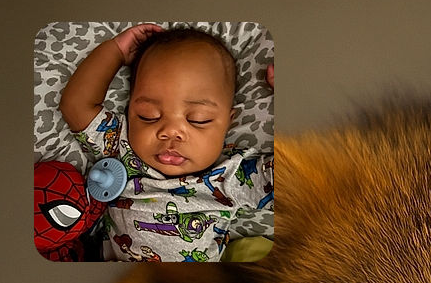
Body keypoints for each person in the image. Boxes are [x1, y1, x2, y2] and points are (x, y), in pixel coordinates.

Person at [59, 24, 273, 262]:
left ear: (228, 123)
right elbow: (75, 105)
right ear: (130, 111)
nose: (171, 132)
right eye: (148, 115)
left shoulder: (232, 176)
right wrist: (115, 52)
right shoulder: (119, 147)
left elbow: (296, 180)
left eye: (198, 120)